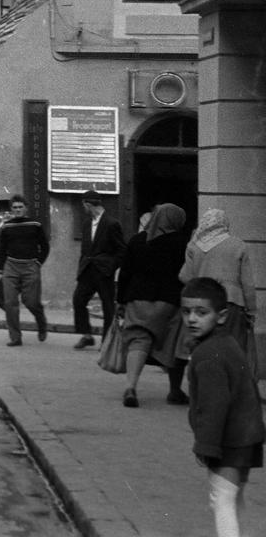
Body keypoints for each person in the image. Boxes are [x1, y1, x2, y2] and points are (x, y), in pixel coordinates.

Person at [181, 276, 265, 537]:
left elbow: (213, 406)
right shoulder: (227, 343)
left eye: (201, 312)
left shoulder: (209, 355)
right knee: (233, 497)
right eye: (186, 311)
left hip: (227, 441)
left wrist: (206, 446)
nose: (192, 319)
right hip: (247, 437)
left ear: (221, 316)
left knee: (222, 500)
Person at [116, 203, 190, 408]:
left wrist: (120, 300)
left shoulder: (137, 240)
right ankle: (174, 391)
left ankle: (131, 387)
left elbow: (125, 273)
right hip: (168, 302)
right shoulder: (182, 243)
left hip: (137, 299)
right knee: (173, 345)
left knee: (138, 340)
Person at [181, 208, 259, 381]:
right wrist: (251, 310)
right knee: (233, 348)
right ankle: (230, 385)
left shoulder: (194, 245)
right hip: (232, 303)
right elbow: (247, 283)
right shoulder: (238, 245)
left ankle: (208, 383)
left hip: (202, 304)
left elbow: (185, 276)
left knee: (205, 345)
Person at [73, 190, 126, 349]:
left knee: (108, 306)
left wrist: (110, 266)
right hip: (87, 271)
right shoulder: (86, 223)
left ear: (88, 205)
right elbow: (85, 248)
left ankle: (106, 341)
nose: (84, 208)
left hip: (103, 272)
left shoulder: (111, 223)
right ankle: (86, 335)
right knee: (78, 300)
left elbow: (122, 251)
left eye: (84, 205)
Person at [0, 194, 50, 347]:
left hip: (30, 267)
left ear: (26, 208)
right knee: (10, 303)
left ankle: (41, 322)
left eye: (20, 207)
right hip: (11, 267)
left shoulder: (35, 225)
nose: (17, 210)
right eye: (14, 208)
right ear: (11, 210)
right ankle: (15, 337)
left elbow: (45, 247)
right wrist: (0, 271)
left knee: (31, 301)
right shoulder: (7, 227)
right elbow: (2, 250)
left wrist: (38, 263)